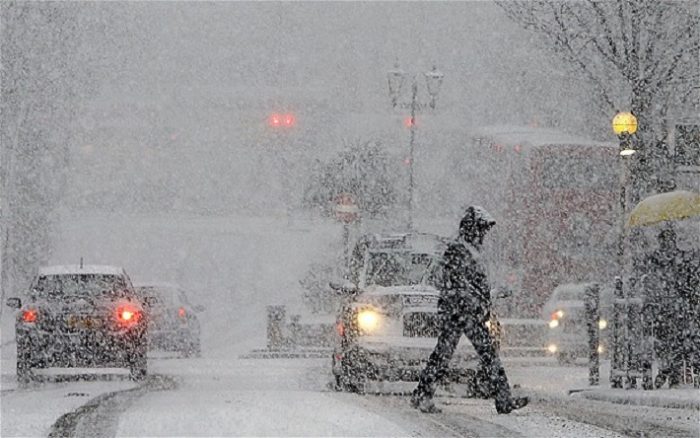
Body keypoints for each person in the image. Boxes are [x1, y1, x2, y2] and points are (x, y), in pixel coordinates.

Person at [411, 206, 528, 414]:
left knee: (447, 354)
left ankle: (423, 393)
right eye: (482, 230)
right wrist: (473, 303)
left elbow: (466, 284)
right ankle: (502, 398)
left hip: (462, 311)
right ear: (473, 229)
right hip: (462, 312)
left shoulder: (467, 250)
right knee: (485, 354)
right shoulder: (459, 250)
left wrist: (481, 300)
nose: (484, 235)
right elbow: (457, 283)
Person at [642, 227, 686, 388]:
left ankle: (669, 372)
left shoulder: (676, 258)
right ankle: (668, 371)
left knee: (671, 342)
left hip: (670, 306)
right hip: (665, 306)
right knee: (666, 342)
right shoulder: (659, 259)